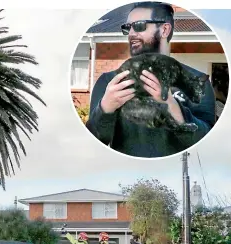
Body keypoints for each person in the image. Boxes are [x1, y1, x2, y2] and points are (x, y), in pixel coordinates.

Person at [85, 1, 216, 158]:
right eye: (128, 28)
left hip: (177, 171)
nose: (132, 33)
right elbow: (94, 144)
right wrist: (105, 108)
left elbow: (207, 144)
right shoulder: (109, 82)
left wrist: (173, 108)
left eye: (139, 26)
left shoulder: (197, 81)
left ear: (164, 30)